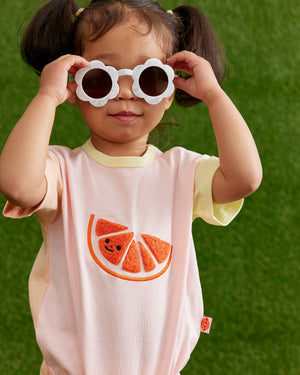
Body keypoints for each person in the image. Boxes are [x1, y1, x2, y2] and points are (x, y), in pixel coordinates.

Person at [0, 0, 262, 374]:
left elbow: (245, 178)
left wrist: (214, 95)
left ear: (170, 91)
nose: (125, 93)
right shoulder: (62, 171)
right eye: (101, 78)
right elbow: (17, 184)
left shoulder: (182, 172)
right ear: (75, 85)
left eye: (149, 78)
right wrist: (47, 97)